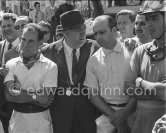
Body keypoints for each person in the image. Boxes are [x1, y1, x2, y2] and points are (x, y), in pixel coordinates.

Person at [42, 10, 99, 133]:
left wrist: (130, 43)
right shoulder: (48, 52)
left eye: (83, 27)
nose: (83, 31)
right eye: (77, 29)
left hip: (88, 115)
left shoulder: (95, 48)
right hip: (59, 116)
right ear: (65, 33)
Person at [84, 14, 136, 133]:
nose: (98, 37)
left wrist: (126, 112)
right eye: (95, 33)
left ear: (114, 30)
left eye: (102, 32)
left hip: (133, 113)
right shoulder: (93, 60)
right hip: (106, 117)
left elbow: (140, 86)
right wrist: (115, 117)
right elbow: (93, 95)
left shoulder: (132, 52)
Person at [4, 23, 58, 133]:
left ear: (40, 43)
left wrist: (19, 92)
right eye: (23, 39)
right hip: (17, 122)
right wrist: (36, 96)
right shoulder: (10, 64)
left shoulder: (50, 66)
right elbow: (9, 96)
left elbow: (46, 99)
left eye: (31, 41)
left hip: (41, 123)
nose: (25, 44)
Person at [124, 1, 166, 133]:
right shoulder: (140, 51)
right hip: (140, 123)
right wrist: (156, 92)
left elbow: (164, 92)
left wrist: (139, 81)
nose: (149, 24)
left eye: (154, 18)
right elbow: (126, 88)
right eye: (147, 19)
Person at [0, 13, 20, 133]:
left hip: (20, 102)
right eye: (3, 26)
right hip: (2, 104)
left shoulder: (26, 46)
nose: (6, 29)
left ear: (17, 27)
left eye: (9, 25)